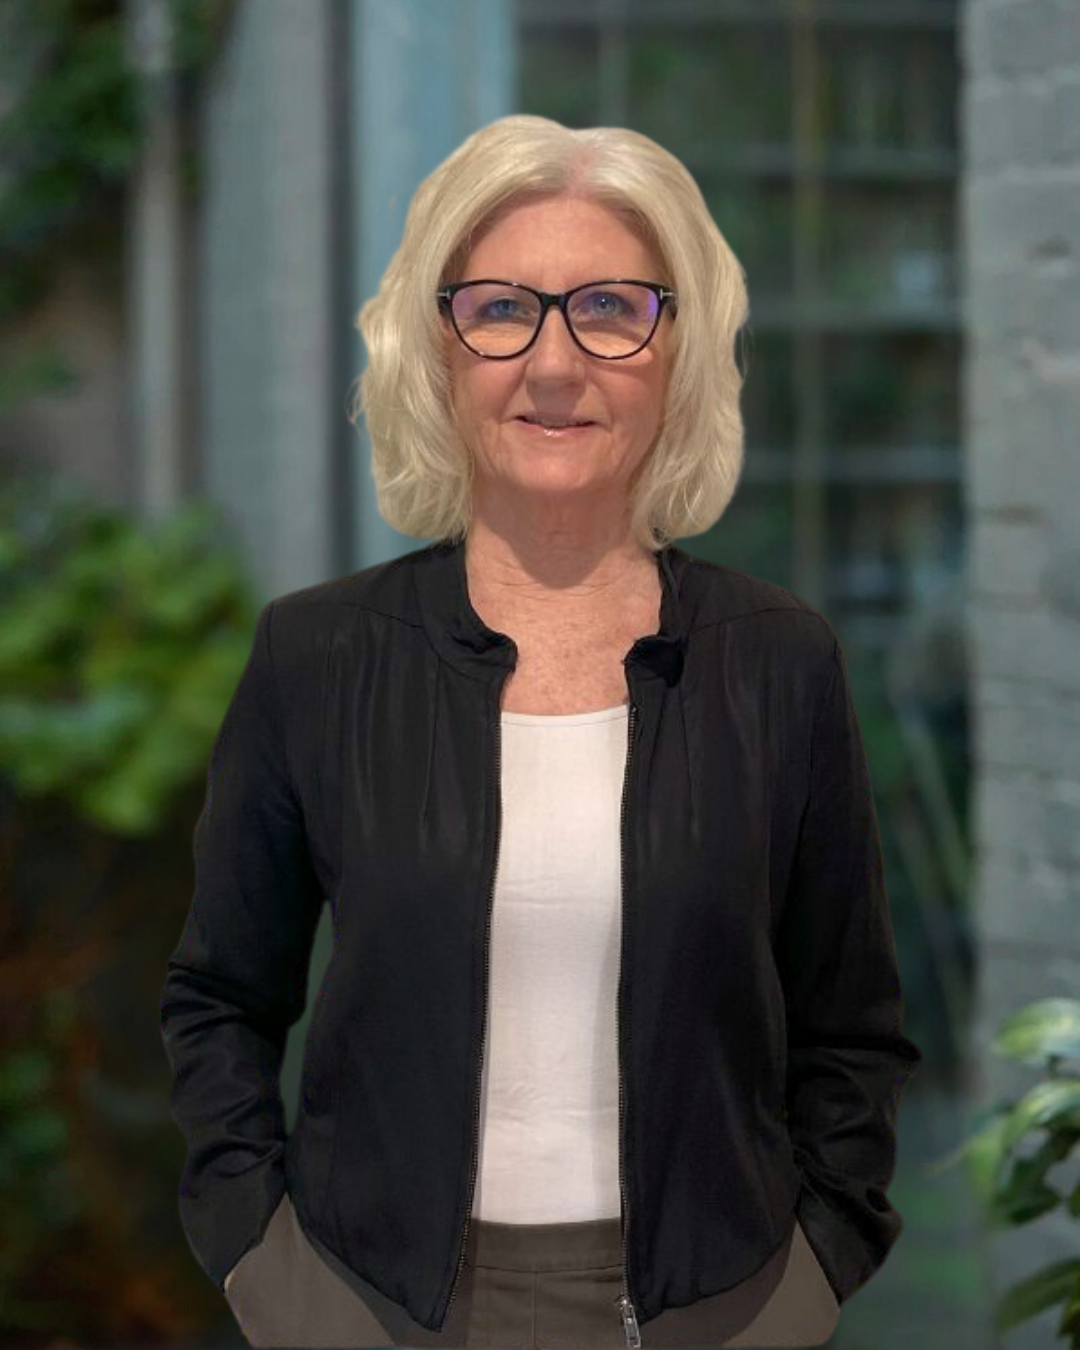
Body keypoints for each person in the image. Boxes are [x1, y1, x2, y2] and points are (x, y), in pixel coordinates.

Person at [160, 113, 922, 1349]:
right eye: (503, 309)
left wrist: (807, 1282)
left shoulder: (779, 662)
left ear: (676, 353)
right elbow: (217, 1002)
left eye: (611, 308)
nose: (555, 363)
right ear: (438, 350)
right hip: (371, 1304)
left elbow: (852, 1033)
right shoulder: (319, 656)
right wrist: (271, 1271)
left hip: (713, 1309)